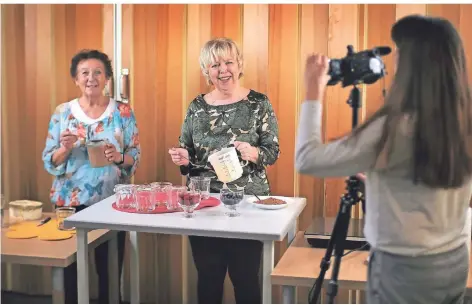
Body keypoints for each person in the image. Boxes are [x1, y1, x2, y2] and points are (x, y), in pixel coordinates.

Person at [295, 15, 472, 304]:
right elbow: (431, 174)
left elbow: (307, 159)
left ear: (412, 66)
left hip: (405, 271)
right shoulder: (462, 120)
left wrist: (313, 90)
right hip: (453, 262)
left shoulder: (391, 128)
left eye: (399, 54)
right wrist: (384, 183)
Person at [168, 37, 280, 304]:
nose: (223, 70)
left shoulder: (259, 103)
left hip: (249, 202)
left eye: (229, 62)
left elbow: (272, 151)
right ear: (206, 71)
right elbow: (188, 156)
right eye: (215, 64)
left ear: (239, 65)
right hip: (205, 201)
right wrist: (182, 158)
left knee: (245, 277)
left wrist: (254, 153)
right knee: (208, 276)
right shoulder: (197, 107)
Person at [42, 49, 141, 303]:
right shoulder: (63, 113)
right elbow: (49, 161)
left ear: (107, 78)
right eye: (84, 73)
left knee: (109, 271)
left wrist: (117, 157)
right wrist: (65, 148)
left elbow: (134, 157)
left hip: (112, 202)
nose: (91, 78)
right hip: (69, 203)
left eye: (98, 72)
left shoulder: (123, 112)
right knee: (71, 271)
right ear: (75, 78)